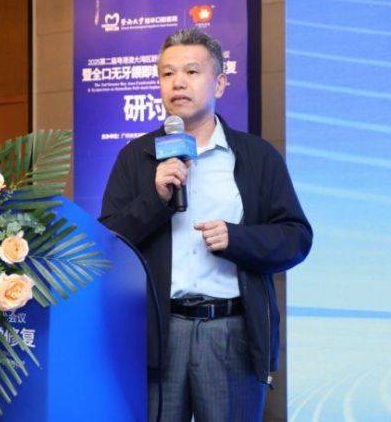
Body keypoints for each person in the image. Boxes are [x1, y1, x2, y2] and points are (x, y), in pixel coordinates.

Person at [99, 28, 311, 421]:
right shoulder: (135, 156)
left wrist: (237, 239)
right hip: (160, 333)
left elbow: (296, 238)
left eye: (192, 71)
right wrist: (155, 200)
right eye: (167, 74)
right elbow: (108, 243)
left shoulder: (257, 156)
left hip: (231, 331)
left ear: (220, 83)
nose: (178, 82)